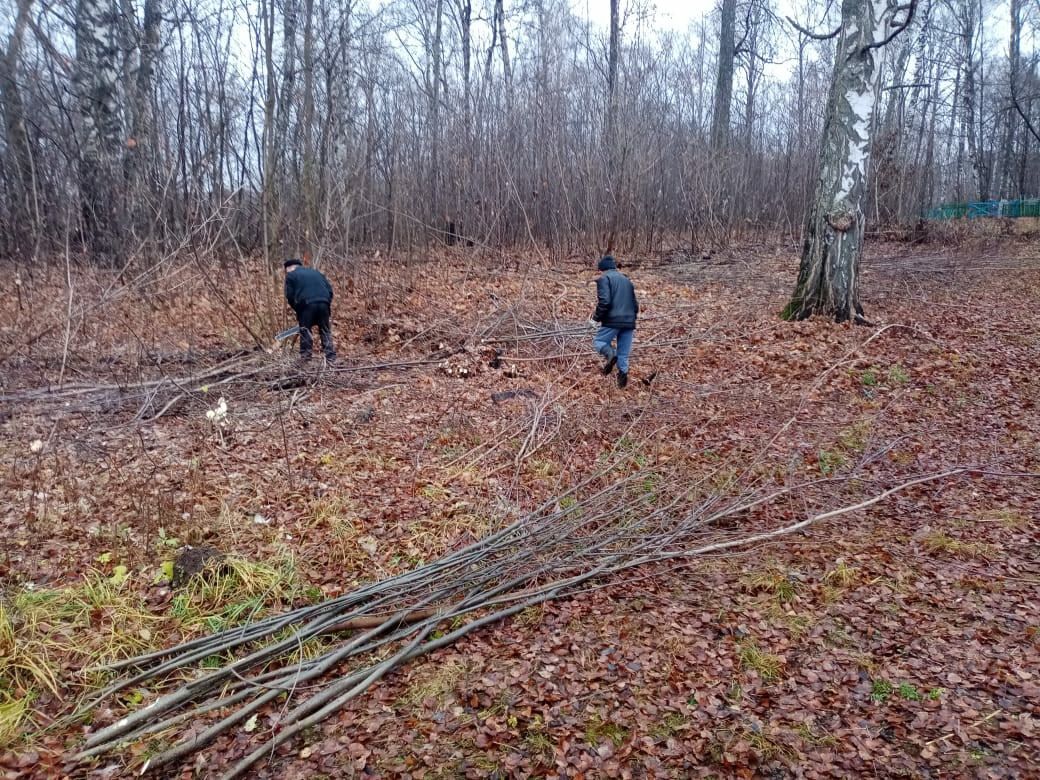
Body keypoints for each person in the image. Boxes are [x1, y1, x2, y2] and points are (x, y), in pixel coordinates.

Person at [590, 255, 638, 388]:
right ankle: (622, 384)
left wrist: (595, 318)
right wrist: (631, 318)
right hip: (629, 321)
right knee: (624, 354)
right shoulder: (627, 280)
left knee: (599, 342)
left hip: (612, 321)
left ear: (602, 270)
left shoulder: (604, 279)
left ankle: (611, 354)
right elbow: (636, 306)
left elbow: (604, 301)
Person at [283, 258, 337, 362]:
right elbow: (330, 291)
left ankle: (306, 358)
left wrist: (298, 308)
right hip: (324, 303)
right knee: (325, 330)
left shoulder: (291, 276)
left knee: (305, 331)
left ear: (289, 268)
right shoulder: (317, 273)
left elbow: (289, 295)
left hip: (306, 305)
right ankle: (331, 358)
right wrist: (325, 302)